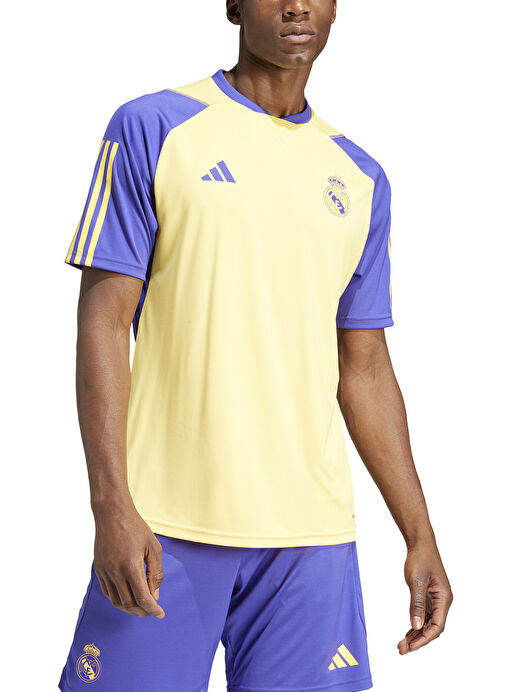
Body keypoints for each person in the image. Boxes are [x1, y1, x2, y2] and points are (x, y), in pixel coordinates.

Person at [58, 1, 453, 690]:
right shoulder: (154, 126)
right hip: (164, 522)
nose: (297, 5)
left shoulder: (360, 176)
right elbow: (103, 321)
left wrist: (419, 533)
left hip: (310, 539)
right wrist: (110, 503)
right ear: (234, 5)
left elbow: (363, 368)